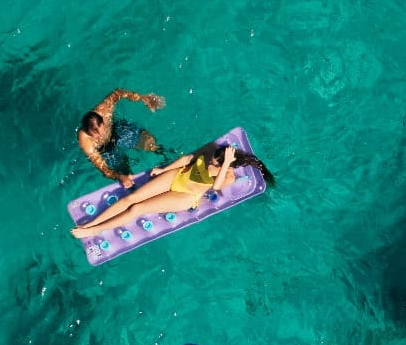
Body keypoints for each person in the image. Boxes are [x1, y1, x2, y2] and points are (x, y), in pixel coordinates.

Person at [70, 142, 276, 239]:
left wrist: (225, 164)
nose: (211, 159)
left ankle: (94, 230)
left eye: (216, 160)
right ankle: (92, 222)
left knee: (137, 209)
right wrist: (164, 169)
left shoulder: (228, 175)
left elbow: (216, 186)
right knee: (131, 198)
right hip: (179, 175)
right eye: (213, 156)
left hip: (186, 195)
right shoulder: (213, 149)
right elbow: (188, 158)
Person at [77, 88, 168, 187]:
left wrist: (142, 98)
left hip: (117, 130)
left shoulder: (104, 110)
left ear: (103, 121)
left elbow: (117, 93)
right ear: (87, 130)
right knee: (126, 175)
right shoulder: (85, 141)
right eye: (95, 133)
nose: (100, 135)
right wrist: (120, 177)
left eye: (101, 129)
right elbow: (103, 169)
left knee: (152, 145)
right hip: (106, 150)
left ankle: (169, 157)